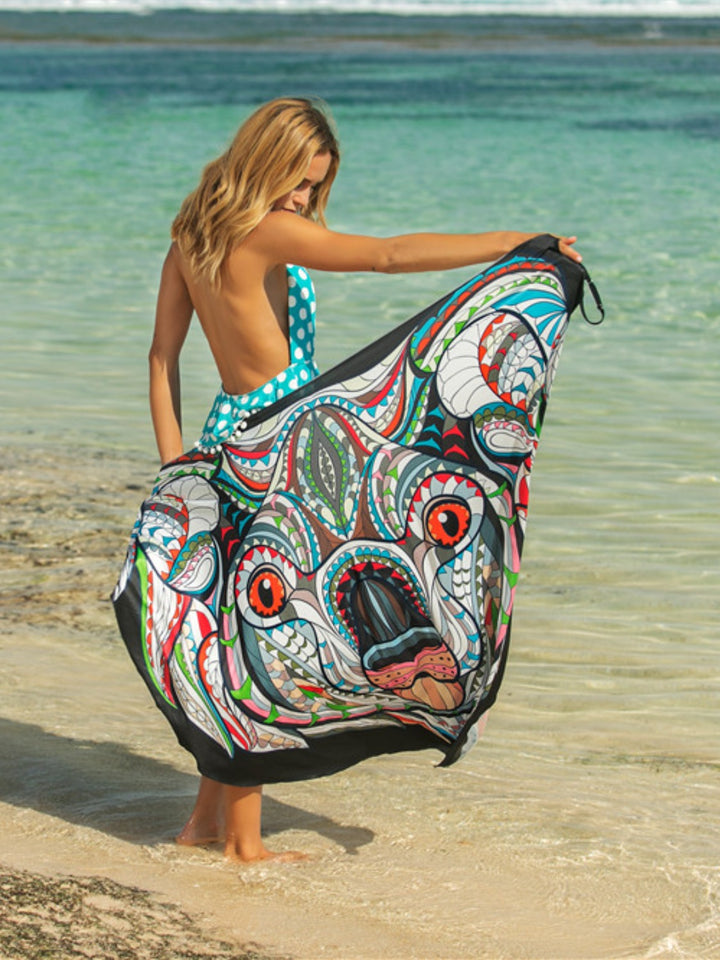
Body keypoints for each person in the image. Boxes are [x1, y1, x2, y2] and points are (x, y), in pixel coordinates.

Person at [144, 96, 581, 863]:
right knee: (267, 644)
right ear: (267, 163)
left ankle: (206, 825)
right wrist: (515, 244)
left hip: (226, 438)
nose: (303, 199)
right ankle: (244, 846)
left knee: (236, 628)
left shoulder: (191, 235)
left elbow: (161, 359)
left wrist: (176, 466)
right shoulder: (267, 230)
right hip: (282, 444)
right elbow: (386, 254)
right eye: (299, 180)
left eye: (314, 186)